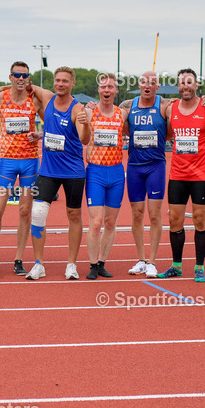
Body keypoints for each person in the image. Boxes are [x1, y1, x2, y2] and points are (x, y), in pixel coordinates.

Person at [162, 68, 205, 281]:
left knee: (200, 220)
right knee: (175, 221)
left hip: (201, 175)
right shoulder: (171, 109)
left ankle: (199, 267)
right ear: (178, 86)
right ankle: (176, 265)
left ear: (196, 85)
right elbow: (168, 133)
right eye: (182, 83)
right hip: (178, 174)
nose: (185, 86)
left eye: (189, 82)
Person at [25, 67, 86, 280]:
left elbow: (84, 139)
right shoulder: (47, 97)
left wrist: (86, 126)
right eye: (58, 80)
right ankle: (39, 264)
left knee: (74, 215)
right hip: (48, 170)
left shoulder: (78, 109)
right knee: (38, 214)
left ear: (72, 84)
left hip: (73, 171)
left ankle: (71, 264)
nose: (61, 84)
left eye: (65, 81)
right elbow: (25, 85)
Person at [0, 62, 43, 276]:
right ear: (10, 77)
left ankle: (19, 258)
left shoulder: (34, 99)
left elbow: (53, 123)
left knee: (25, 211)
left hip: (29, 161)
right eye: (17, 75)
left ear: (28, 78)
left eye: (24, 75)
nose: (20, 78)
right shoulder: (0, 98)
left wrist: (40, 135)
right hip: (7, 162)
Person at [119, 71, 169, 279]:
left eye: (152, 83)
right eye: (144, 82)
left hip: (155, 166)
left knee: (155, 214)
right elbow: (124, 129)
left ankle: (152, 261)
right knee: (137, 213)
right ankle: (141, 259)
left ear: (158, 86)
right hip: (134, 166)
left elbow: (170, 132)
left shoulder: (165, 106)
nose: (148, 85)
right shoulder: (128, 107)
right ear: (139, 85)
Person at [79, 73, 125, 280]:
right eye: (103, 87)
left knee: (111, 222)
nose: (107, 90)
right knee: (96, 222)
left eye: (111, 87)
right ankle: (92, 264)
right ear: (98, 90)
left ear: (116, 91)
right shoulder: (89, 112)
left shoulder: (122, 114)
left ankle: (102, 262)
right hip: (96, 171)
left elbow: (144, 103)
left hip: (116, 172)